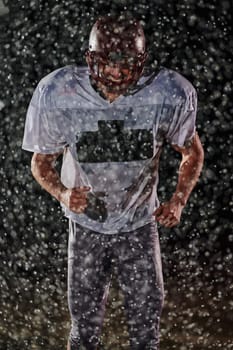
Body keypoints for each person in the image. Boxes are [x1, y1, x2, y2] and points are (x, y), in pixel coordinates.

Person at [22, 15, 204, 350]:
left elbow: (192, 153)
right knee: (83, 331)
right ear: (91, 59)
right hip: (87, 225)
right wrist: (62, 193)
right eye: (107, 63)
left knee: (146, 329)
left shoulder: (168, 93)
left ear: (141, 61)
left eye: (125, 64)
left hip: (139, 224)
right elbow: (40, 162)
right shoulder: (58, 92)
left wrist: (178, 200)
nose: (116, 73)